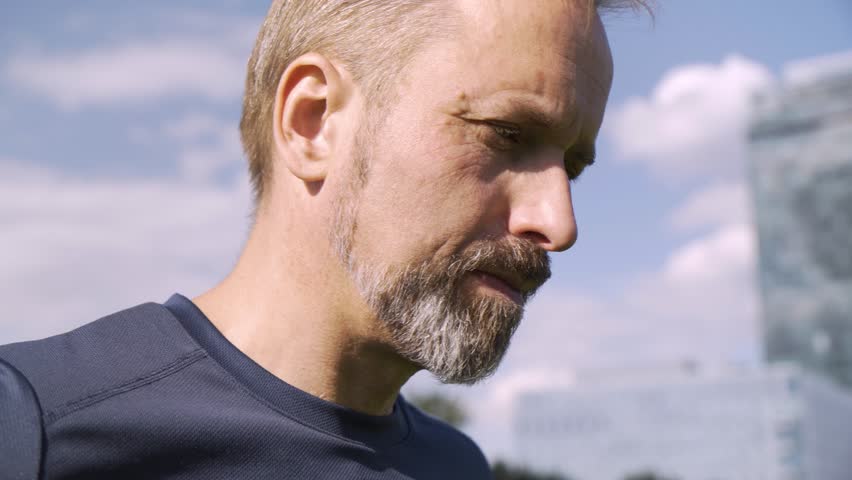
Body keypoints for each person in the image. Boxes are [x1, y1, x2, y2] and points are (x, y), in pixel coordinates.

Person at [0, 0, 644, 478]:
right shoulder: (33, 429)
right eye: (505, 134)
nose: (559, 224)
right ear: (312, 122)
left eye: (574, 167)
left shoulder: (458, 468)